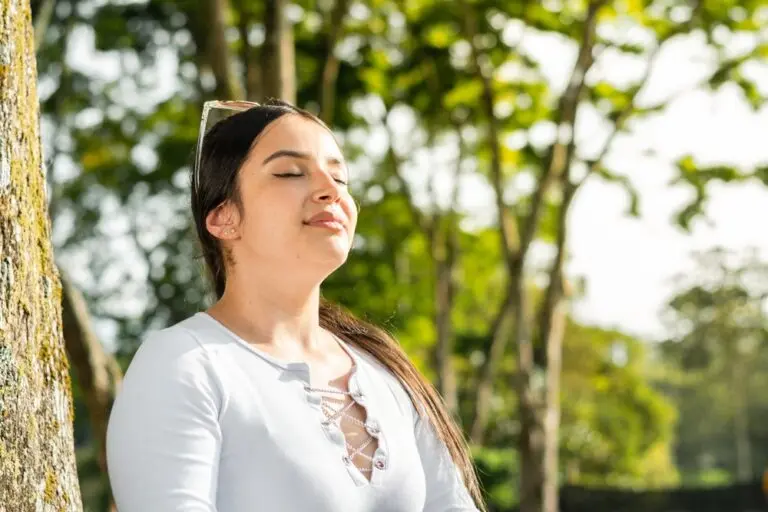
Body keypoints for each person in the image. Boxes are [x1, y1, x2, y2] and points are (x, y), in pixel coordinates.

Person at [105, 98, 485, 512]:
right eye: (290, 172)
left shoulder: (388, 376)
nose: (330, 190)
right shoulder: (184, 363)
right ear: (224, 218)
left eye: (340, 178)